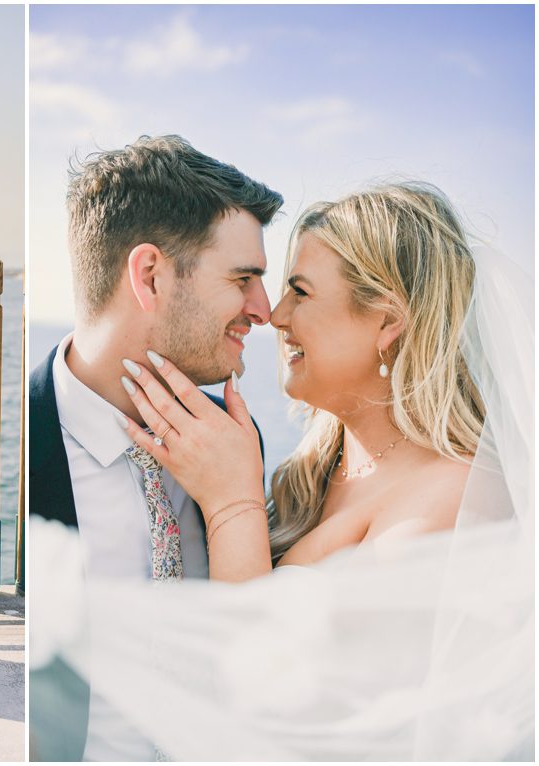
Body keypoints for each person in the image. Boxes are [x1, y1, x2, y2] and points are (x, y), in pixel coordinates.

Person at [32, 182, 533, 760]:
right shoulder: (307, 469)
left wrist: (232, 508)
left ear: (387, 322)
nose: (273, 314)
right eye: (253, 282)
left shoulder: (453, 498)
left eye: (299, 291)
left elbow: (275, 717)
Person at [28, 135, 283, 760]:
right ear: (150, 276)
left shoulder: (235, 441)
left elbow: (258, 671)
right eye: (244, 278)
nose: (265, 310)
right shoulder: (20, 447)